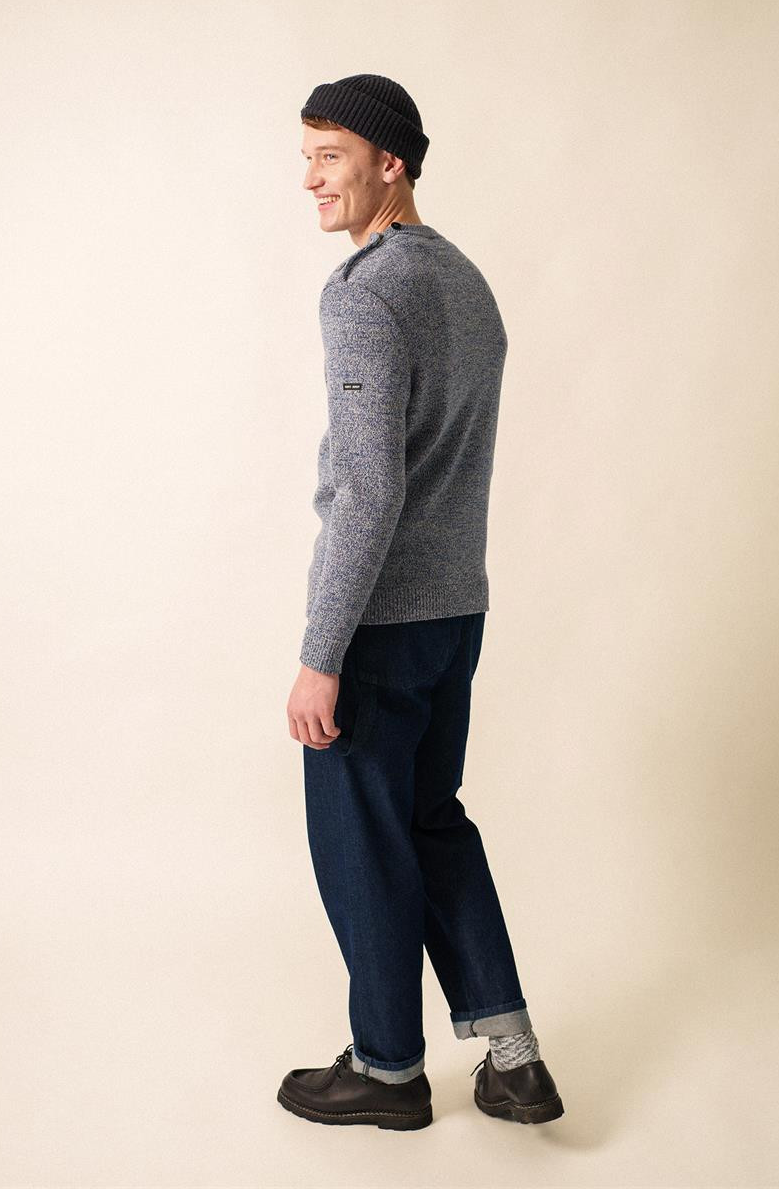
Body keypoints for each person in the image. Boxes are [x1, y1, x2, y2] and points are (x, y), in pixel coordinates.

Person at [279, 73, 564, 1130]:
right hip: (455, 614)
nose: (312, 179)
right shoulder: (465, 280)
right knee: (433, 823)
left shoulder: (365, 293)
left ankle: (388, 1070)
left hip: (381, 622)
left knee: (364, 845)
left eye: (331, 157)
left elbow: (370, 489)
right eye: (307, 157)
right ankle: (515, 1058)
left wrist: (322, 654)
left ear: (390, 163)